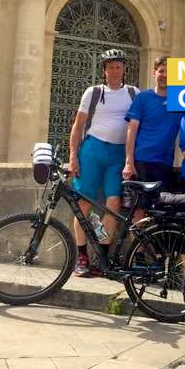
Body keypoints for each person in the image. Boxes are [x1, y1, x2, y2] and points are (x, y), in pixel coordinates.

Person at [67, 49, 137, 277]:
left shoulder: (133, 93)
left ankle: (102, 255)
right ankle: (82, 255)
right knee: (83, 204)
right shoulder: (93, 92)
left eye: (118, 67)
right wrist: (73, 157)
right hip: (93, 151)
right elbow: (78, 126)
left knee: (113, 204)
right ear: (104, 70)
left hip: (118, 154)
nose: (115, 71)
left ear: (124, 69)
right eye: (110, 67)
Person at [123, 56, 183, 190]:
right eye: (161, 71)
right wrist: (129, 162)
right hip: (142, 160)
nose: (165, 75)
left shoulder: (181, 102)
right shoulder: (142, 98)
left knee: (161, 202)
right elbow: (131, 131)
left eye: (169, 72)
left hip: (165, 163)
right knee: (141, 202)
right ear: (154, 73)